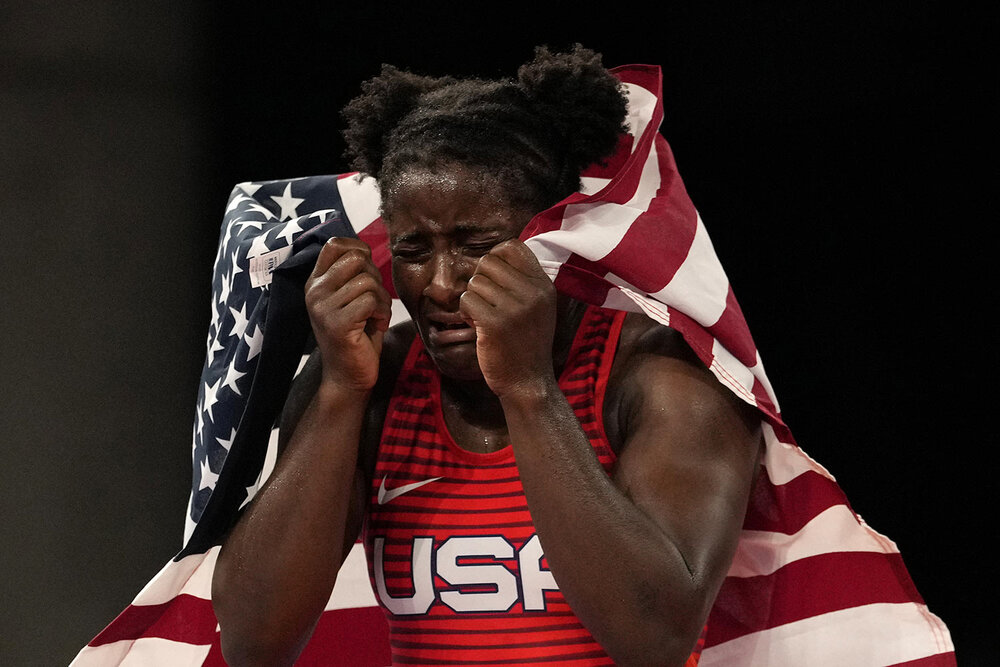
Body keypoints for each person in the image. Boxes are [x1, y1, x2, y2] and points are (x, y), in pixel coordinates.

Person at [212, 45, 763, 667]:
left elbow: (655, 637)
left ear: (554, 238)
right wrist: (340, 390)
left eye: (478, 244)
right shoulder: (373, 378)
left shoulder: (662, 375)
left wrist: (528, 389)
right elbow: (252, 645)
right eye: (414, 250)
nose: (441, 284)